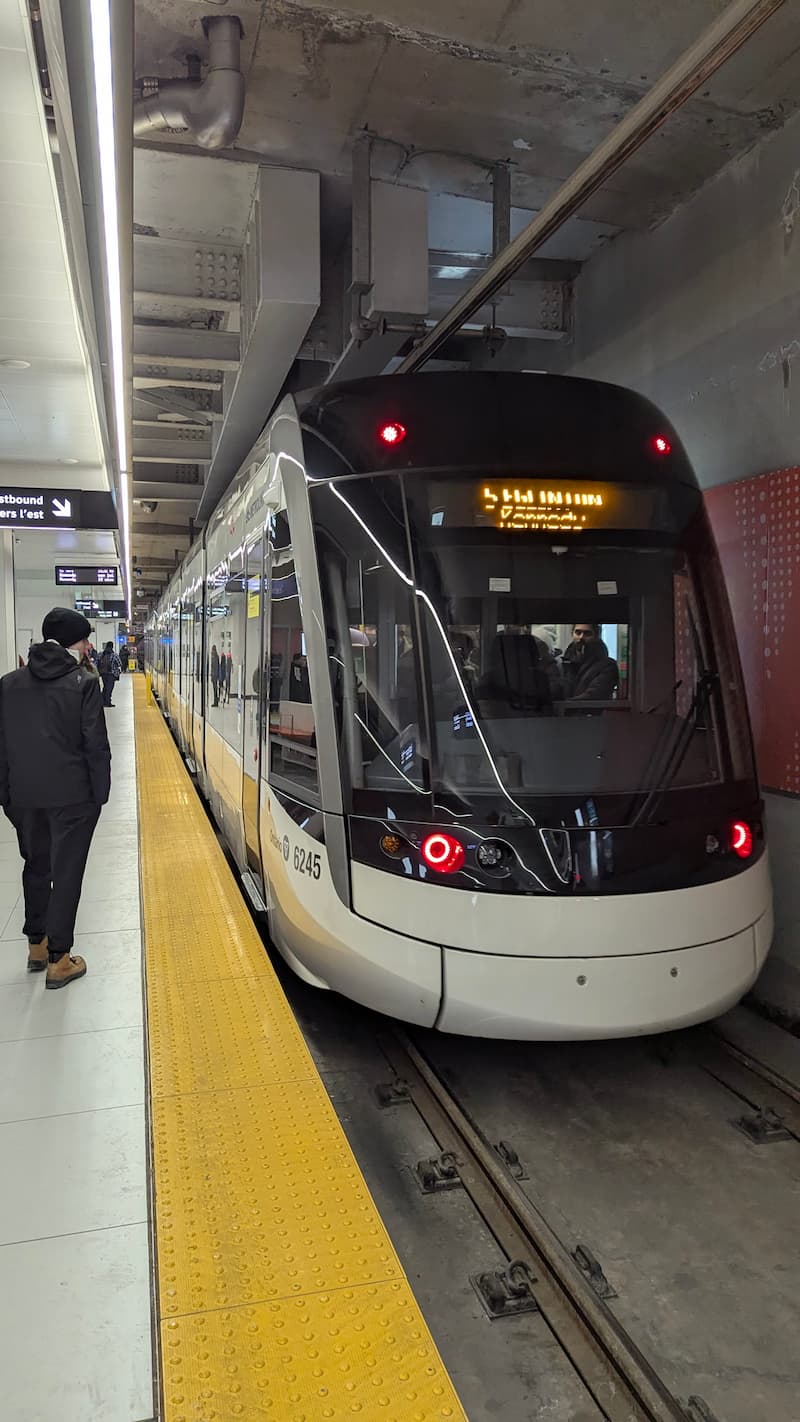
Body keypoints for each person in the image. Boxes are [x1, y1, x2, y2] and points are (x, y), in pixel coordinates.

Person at [0, 608, 111, 988]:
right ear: (70, 643)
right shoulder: (84, 683)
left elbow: (2, 746)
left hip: (24, 797)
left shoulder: (9, 683)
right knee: (66, 874)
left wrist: (7, 796)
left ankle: (36, 943)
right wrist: (100, 795)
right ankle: (59, 959)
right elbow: (95, 746)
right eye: (83, 640)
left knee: (36, 865)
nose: (87, 646)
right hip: (73, 798)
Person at [561, 623, 619, 702]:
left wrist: (564, 705)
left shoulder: (607, 666)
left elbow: (595, 695)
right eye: (578, 633)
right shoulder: (565, 663)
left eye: (587, 634)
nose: (581, 637)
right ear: (572, 634)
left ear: (596, 636)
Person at [98, 640, 121, 707]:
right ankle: (108, 703)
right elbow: (120, 663)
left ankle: (102, 702)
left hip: (103, 673)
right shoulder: (114, 655)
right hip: (111, 674)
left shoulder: (101, 654)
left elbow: (97, 662)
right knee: (109, 688)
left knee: (105, 687)